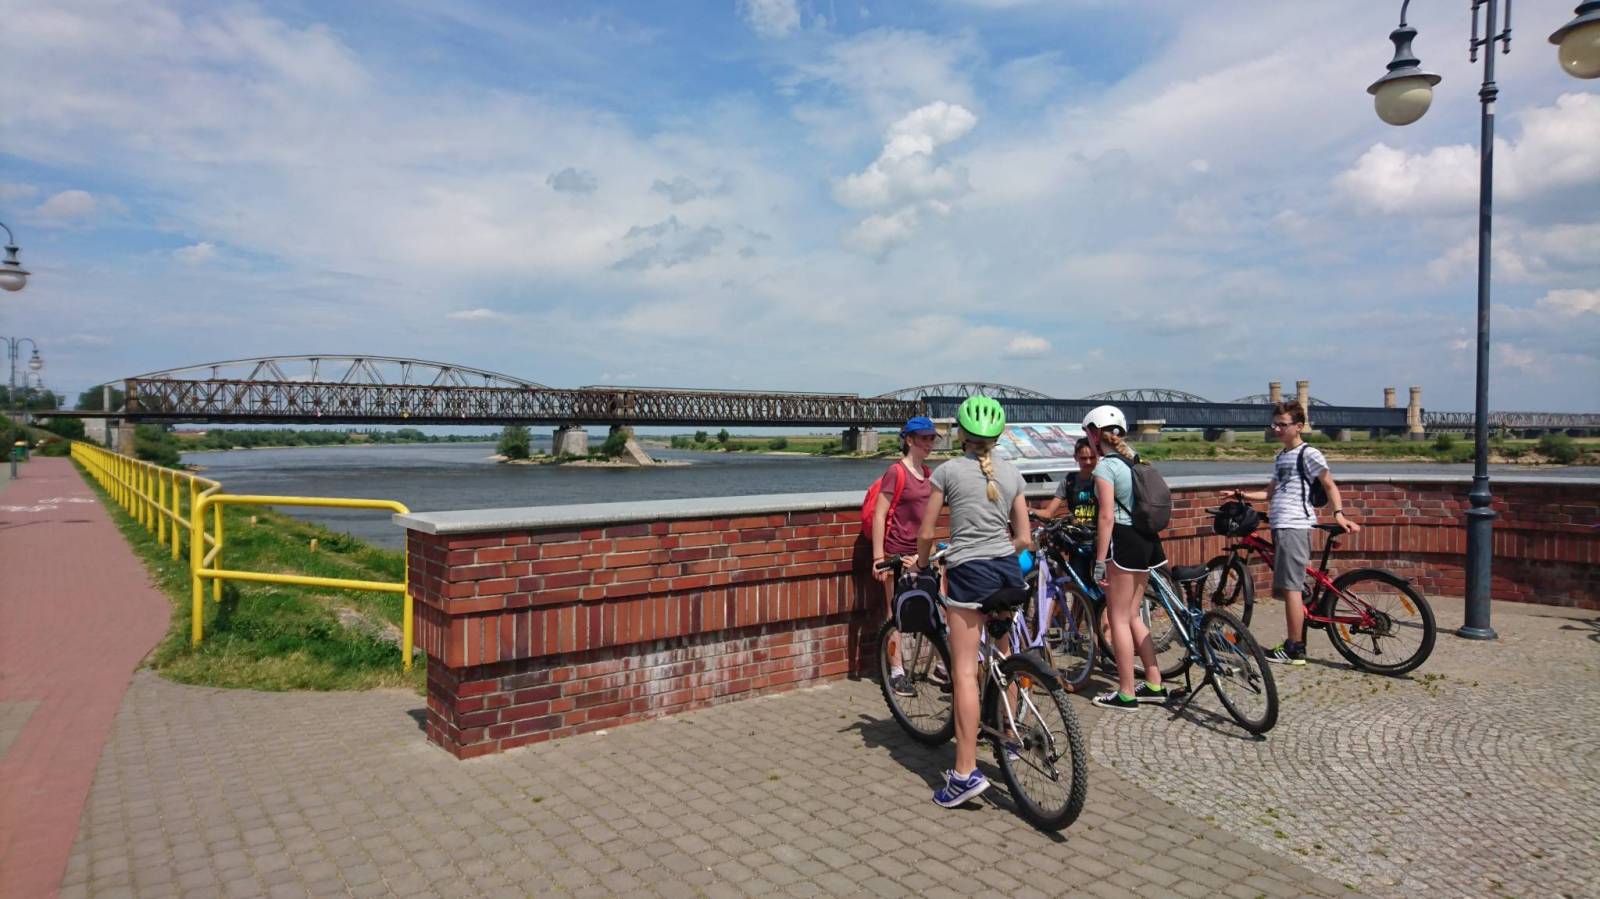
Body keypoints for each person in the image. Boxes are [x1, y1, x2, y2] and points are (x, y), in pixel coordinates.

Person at [915, 395, 1031, 808]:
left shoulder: (947, 471)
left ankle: (964, 773)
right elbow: (1024, 538)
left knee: (965, 671)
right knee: (1003, 655)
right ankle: (1011, 739)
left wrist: (923, 565)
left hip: (969, 572)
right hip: (1008, 573)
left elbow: (926, 532)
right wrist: (998, 548)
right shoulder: (1012, 472)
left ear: (961, 433)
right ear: (998, 436)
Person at [1221, 401, 1361, 665]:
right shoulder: (1282, 456)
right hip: (1282, 525)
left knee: (1291, 588)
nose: (1277, 429)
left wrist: (1339, 514)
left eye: (1283, 425)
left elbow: (1329, 485)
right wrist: (1241, 495)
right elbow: (1270, 493)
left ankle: (1295, 648)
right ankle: (1297, 640)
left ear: (1298, 426)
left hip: (1294, 525)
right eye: (1274, 424)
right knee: (1292, 586)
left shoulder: (1308, 453)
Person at [1083, 405, 1171, 711]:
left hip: (1122, 542)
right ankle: (1155, 683)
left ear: (1095, 434)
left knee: (1118, 618)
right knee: (1133, 616)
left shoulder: (1105, 468)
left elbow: (1106, 516)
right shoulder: (1134, 460)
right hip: (1146, 541)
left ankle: (1126, 692)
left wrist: (1099, 560)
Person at [871, 415, 938, 697]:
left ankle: (941, 665)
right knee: (895, 614)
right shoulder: (896, 472)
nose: (929, 443)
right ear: (909, 440)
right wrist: (879, 558)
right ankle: (897, 671)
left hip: (922, 553)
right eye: (924, 438)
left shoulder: (929, 473)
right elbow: (880, 514)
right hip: (896, 553)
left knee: (937, 607)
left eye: (932, 438)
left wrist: (931, 552)